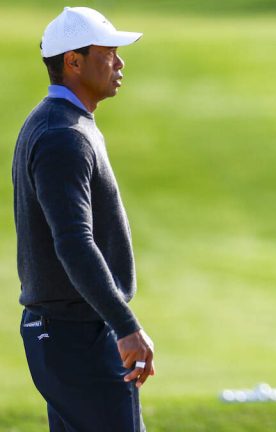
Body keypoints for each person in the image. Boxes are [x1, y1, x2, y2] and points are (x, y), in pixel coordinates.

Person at [12, 7, 155, 431]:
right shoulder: (63, 135)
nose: (120, 62)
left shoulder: (63, 123)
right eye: (108, 52)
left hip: (68, 332)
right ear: (73, 61)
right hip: (75, 334)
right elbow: (74, 241)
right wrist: (125, 326)